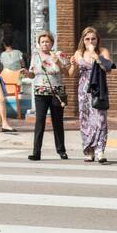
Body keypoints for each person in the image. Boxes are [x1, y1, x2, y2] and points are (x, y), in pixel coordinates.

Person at [20, 30, 68, 161]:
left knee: (57, 122)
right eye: (42, 42)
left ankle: (61, 150)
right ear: (39, 44)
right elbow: (32, 74)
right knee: (39, 122)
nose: (45, 44)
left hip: (57, 92)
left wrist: (57, 62)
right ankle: (36, 152)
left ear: (52, 43)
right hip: (40, 92)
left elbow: (66, 72)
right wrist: (26, 73)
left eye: (47, 41)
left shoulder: (59, 54)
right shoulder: (36, 56)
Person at [69, 26, 114, 163]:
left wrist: (96, 56)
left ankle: (100, 151)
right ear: (83, 40)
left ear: (97, 40)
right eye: (87, 39)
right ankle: (89, 150)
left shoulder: (103, 51)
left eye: (93, 39)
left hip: (98, 89)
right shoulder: (78, 52)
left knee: (100, 119)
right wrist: (73, 65)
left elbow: (108, 69)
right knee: (85, 120)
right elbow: (72, 74)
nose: (90, 41)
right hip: (83, 91)